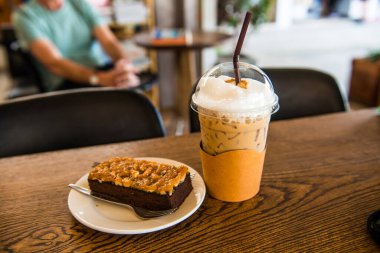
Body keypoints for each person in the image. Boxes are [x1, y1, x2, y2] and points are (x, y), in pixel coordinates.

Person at [12, 0, 140, 91]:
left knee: (130, 84)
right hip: (65, 81)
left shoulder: (79, 3)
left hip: (101, 69)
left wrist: (123, 64)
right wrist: (99, 79)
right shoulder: (25, 16)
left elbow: (108, 41)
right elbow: (55, 63)